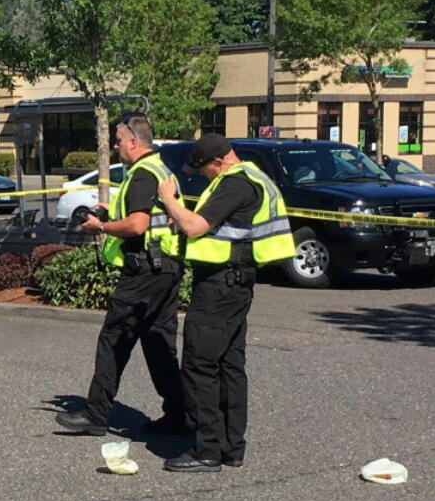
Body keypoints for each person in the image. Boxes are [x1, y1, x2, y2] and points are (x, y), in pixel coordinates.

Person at [156, 133, 295, 472]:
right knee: (230, 367)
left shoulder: (235, 184)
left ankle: (206, 450)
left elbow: (194, 227)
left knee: (200, 366)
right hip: (236, 285)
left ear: (219, 161)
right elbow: (214, 230)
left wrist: (169, 199)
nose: (201, 173)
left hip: (219, 289)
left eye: (203, 168)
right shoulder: (253, 178)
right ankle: (231, 447)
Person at [55, 114, 185, 436]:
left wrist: (100, 225)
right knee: (159, 344)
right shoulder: (160, 168)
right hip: (165, 269)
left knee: (113, 340)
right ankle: (180, 414)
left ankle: (96, 415)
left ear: (132, 142)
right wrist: (110, 212)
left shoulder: (142, 174)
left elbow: (138, 225)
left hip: (143, 272)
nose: (114, 146)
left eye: (117, 140)